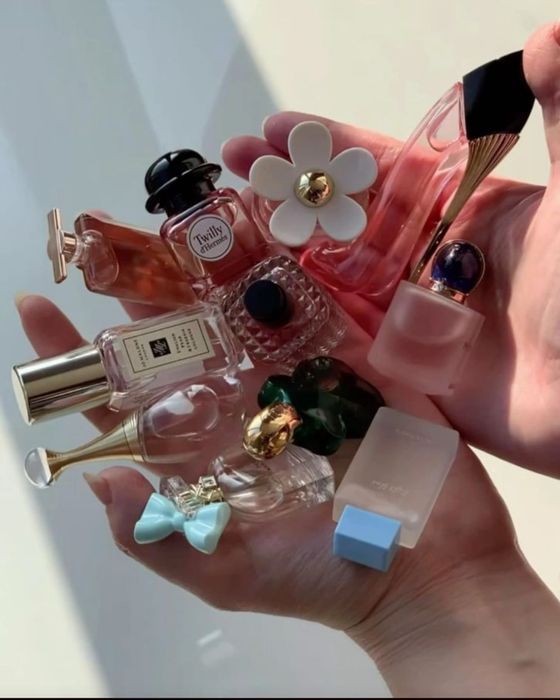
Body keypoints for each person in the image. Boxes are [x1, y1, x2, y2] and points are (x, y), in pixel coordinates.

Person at [16, 22, 560, 698]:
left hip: (300, 352)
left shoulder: (223, 215)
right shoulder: (197, 232)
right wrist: (414, 594)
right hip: (275, 352)